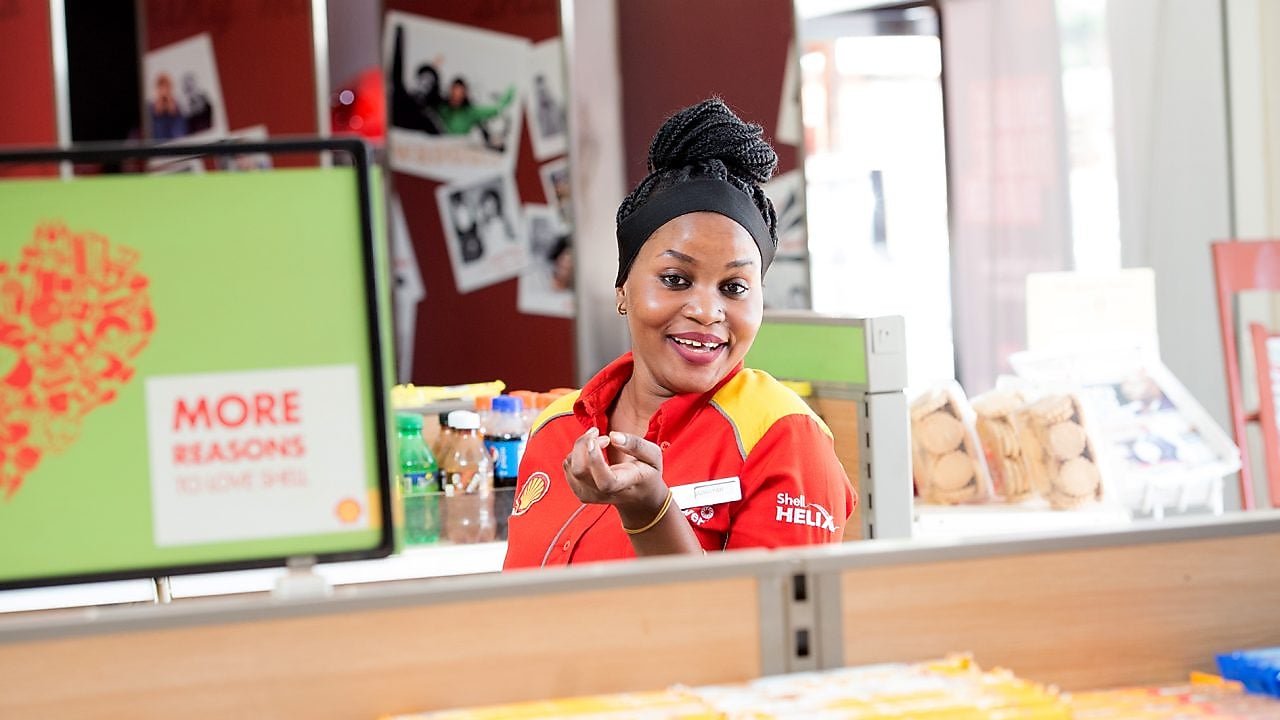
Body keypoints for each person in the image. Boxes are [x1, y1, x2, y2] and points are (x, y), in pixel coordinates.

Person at [504, 99, 855, 569]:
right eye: (676, 279)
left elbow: (766, 633)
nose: (708, 312)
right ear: (623, 287)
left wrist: (651, 513)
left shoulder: (784, 436)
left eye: (734, 288)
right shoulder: (556, 429)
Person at [388, 24, 445, 134]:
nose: (423, 85)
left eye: (429, 83)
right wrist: (399, 36)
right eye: (422, 79)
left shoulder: (428, 118)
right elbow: (396, 73)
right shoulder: (401, 98)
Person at [439, 77, 515, 150]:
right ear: (450, 91)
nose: (457, 96)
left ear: (465, 94)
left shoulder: (470, 112)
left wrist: (513, 87)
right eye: (455, 92)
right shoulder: (441, 109)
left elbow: (495, 109)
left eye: (461, 93)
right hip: (441, 149)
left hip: (461, 150)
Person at [148, 73, 187, 140]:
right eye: (161, 87)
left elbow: (181, 129)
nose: (164, 91)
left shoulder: (177, 105)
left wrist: (171, 105)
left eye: (166, 87)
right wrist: (158, 106)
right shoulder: (150, 106)